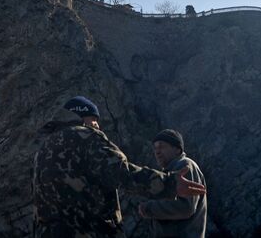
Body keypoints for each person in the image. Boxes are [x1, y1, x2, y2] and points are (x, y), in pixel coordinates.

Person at [32, 97, 206, 238]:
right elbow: (120, 172)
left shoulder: (43, 150)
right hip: (89, 231)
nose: (97, 126)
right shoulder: (84, 136)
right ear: (81, 115)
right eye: (94, 120)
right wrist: (169, 184)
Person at [138, 129, 207, 238]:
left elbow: (186, 207)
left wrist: (148, 208)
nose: (157, 151)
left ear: (177, 150)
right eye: (155, 148)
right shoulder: (168, 173)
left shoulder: (185, 165)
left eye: (161, 146)